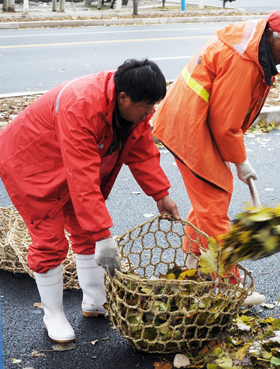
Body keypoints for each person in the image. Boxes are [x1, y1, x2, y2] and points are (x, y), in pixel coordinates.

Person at [0, 59, 181, 343]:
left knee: (85, 230)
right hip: (30, 163)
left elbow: (142, 150)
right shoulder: (82, 105)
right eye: (147, 106)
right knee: (50, 241)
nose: (151, 112)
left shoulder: (133, 109)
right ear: (123, 97)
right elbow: (83, 178)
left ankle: (95, 301)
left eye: (153, 105)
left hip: (69, 162)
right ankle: (53, 314)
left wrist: (161, 194)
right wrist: (103, 235)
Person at [151, 11, 280, 305]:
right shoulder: (243, 62)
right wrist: (240, 161)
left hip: (196, 122)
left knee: (211, 199)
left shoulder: (252, 50)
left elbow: (224, 119)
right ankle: (229, 286)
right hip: (190, 127)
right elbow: (225, 124)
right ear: (269, 36)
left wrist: (238, 161)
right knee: (214, 202)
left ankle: (193, 262)